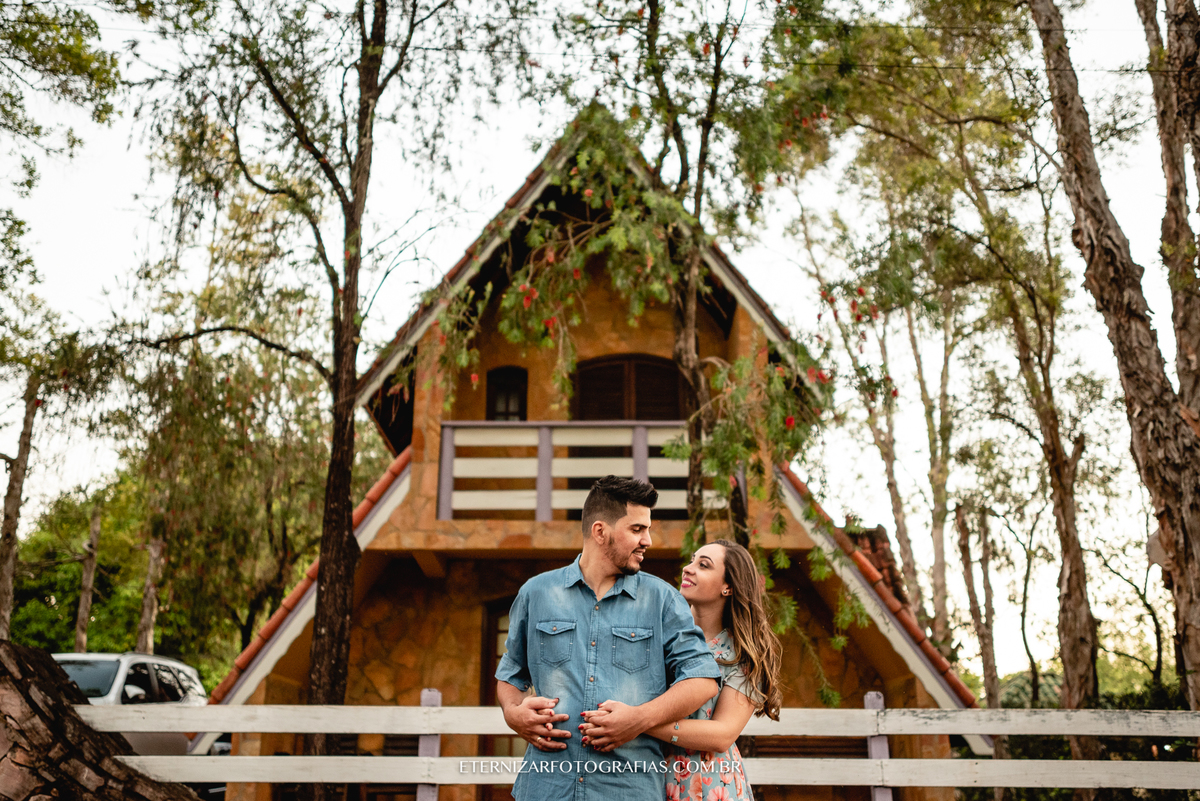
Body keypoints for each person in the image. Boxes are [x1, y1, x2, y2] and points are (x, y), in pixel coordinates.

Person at [495, 475, 721, 801]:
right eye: (637, 529)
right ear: (600, 532)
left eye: (648, 529)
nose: (648, 540)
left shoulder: (663, 600)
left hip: (630, 789)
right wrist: (512, 713)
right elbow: (510, 674)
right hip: (544, 789)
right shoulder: (536, 593)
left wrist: (640, 719)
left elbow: (703, 681)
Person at [580, 539, 782, 801]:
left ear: (728, 587)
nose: (689, 568)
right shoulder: (656, 635)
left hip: (707, 784)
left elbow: (722, 734)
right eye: (692, 560)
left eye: (704, 565)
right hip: (642, 777)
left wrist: (636, 722)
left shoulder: (742, 654)